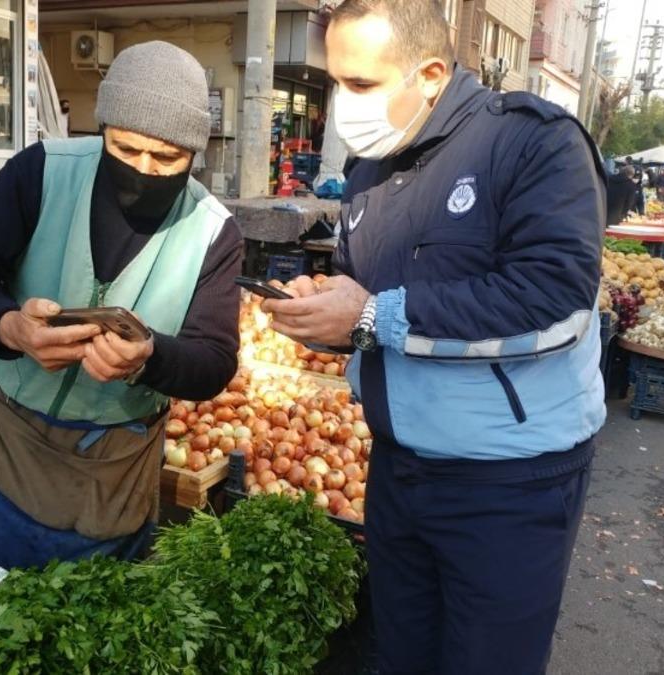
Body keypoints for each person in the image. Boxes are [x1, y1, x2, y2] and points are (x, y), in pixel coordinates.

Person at [260, 1, 605, 671]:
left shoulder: (533, 142)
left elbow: (556, 303)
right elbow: (373, 308)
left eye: (361, 84)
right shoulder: (369, 171)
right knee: (396, 656)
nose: (342, 103)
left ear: (430, 73)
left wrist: (370, 316)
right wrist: (325, 313)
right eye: (335, 81)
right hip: (398, 469)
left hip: (509, 482)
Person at [0, 42, 243, 569]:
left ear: (196, 152)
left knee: (96, 619)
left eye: (167, 158)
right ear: (101, 131)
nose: (144, 169)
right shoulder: (42, 172)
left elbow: (214, 358)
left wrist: (149, 359)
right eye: (124, 149)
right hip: (7, 443)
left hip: (114, 465)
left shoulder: (213, 231)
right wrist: (10, 327)